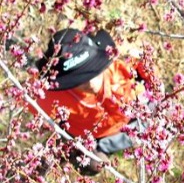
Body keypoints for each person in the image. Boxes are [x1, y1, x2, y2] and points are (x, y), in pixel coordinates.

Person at [32, 28, 153, 175]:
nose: (89, 83)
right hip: (96, 138)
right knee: (94, 164)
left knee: (161, 119)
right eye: (79, 79)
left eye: (92, 71)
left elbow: (147, 70)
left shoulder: (120, 60)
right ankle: (104, 147)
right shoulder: (52, 95)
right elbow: (31, 101)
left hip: (139, 113)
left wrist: (153, 89)